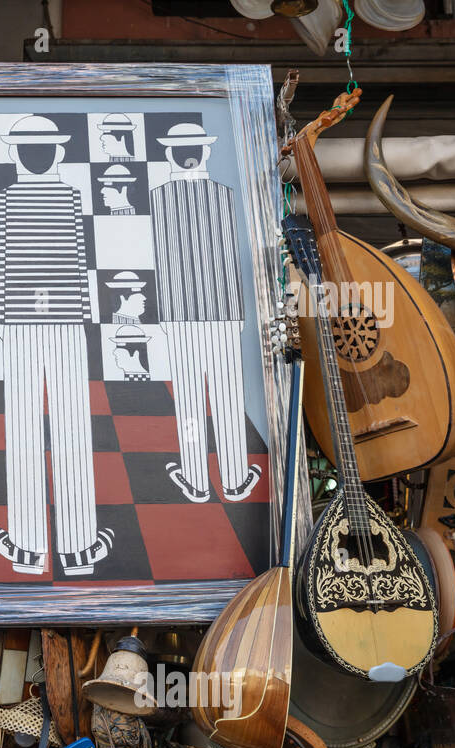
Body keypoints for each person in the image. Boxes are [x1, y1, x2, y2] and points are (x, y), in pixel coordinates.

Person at [0, 114, 114, 577]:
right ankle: (79, 548)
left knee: (22, 429)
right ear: (56, 153)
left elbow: (5, 266)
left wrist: (3, 318)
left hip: (22, 321)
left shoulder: (8, 199)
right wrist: (81, 317)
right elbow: (79, 267)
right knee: (72, 428)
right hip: (64, 322)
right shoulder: (69, 196)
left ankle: (27, 547)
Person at [149, 122, 261, 503]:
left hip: (180, 314)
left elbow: (163, 263)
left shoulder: (160, 197)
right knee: (228, 397)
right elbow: (231, 263)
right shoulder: (224, 195)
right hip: (224, 312)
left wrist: (165, 316)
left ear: (170, 154)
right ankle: (234, 477)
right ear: (206, 151)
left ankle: (196, 476)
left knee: (190, 400)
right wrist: (241, 315)